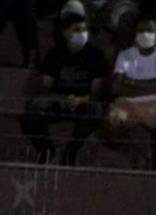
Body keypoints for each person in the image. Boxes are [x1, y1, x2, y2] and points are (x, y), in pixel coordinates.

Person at [20, 10, 109, 166]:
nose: (81, 33)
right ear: (65, 32)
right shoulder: (55, 54)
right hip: (58, 102)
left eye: (84, 30)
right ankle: (46, 151)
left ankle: (72, 151)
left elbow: (97, 91)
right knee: (31, 110)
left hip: (84, 103)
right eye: (76, 30)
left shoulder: (95, 55)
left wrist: (79, 100)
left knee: (96, 109)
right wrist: (61, 100)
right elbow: (46, 87)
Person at [107, 17, 156, 168]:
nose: (145, 34)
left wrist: (132, 83)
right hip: (129, 105)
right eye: (141, 31)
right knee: (112, 119)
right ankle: (132, 154)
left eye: (149, 30)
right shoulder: (125, 55)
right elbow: (116, 87)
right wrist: (152, 85)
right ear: (135, 34)